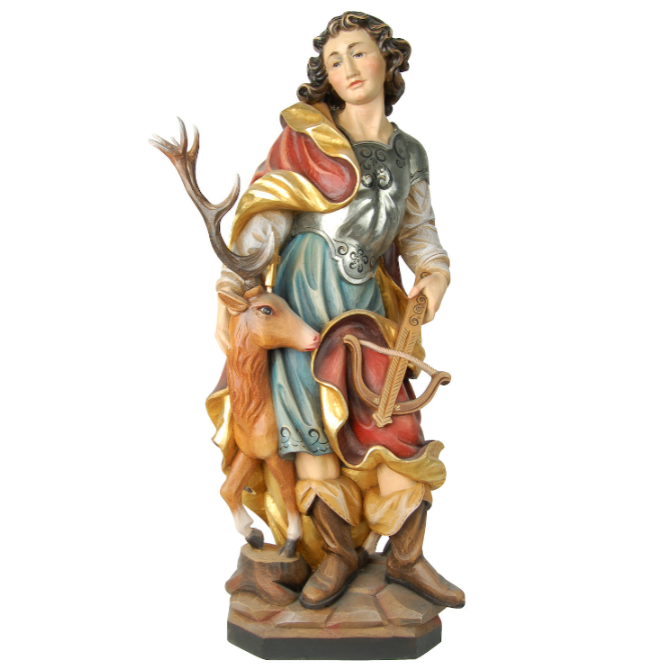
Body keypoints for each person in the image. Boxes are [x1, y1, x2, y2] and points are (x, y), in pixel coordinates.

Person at [209, 11, 464, 611]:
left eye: (358, 51)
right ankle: (336, 554)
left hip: (366, 309)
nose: (347, 67)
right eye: (333, 60)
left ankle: (406, 556)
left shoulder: (409, 153)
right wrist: (234, 286)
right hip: (302, 297)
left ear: (387, 59)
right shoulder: (303, 140)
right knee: (308, 433)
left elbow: (418, 231)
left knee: (391, 423)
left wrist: (435, 273)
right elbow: (265, 219)